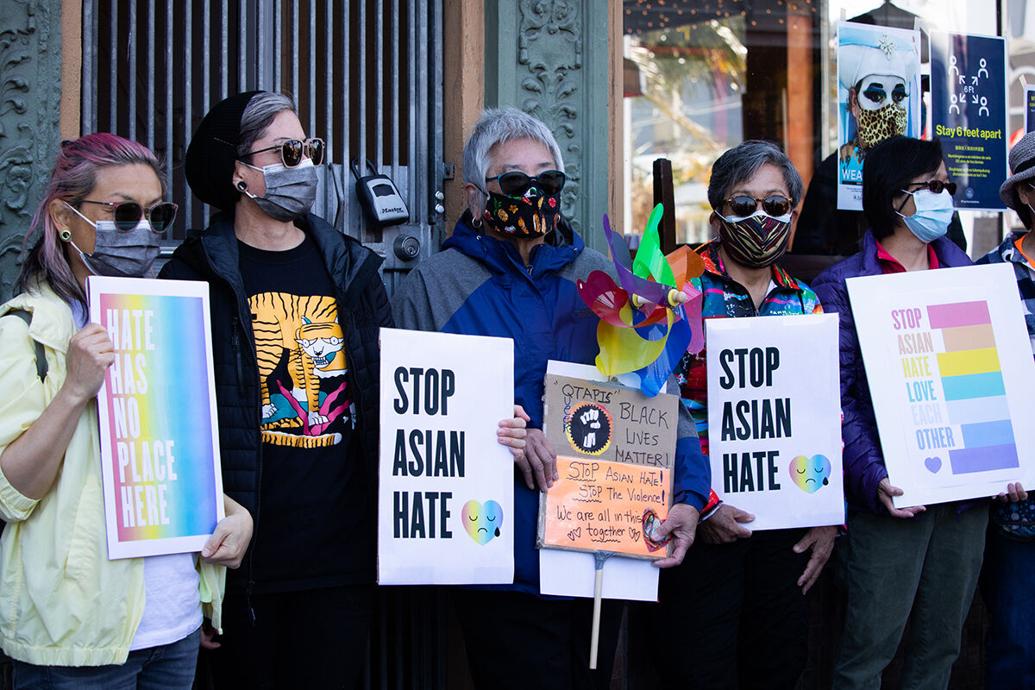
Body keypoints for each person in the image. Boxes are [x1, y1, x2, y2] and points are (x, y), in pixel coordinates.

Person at [393, 107, 709, 690]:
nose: (533, 193)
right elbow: (411, 424)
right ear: (474, 195)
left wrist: (689, 495)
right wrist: (502, 436)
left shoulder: (604, 281)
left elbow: (655, 389)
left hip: (599, 551)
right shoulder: (433, 286)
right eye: (514, 181)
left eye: (548, 181)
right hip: (498, 558)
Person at [0, 133, 251, 688]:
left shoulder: (162, 319)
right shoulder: (25, 331)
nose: (141, 231)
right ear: (65, 218)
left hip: (175, 626)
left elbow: (162, 458)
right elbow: (11, 493)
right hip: (77, 641)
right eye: (123, 213)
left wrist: (234, 514)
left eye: (155, 215)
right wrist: (72, 392)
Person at [159, 91, 391, 689]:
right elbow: (169, 420)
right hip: (241, 566)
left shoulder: (355, 270)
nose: (305, 165)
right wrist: (194, 578)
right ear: (240, 171)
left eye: (310, 150)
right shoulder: (191, 275)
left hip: (342, 564)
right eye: (286, 152)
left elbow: (397, 394)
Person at [653, 140, 837, 689]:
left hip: (783, 528)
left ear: (794, 214)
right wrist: (704, 506)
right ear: (717, 214)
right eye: (744, 204)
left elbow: (823, 412)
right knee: (696, 669)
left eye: (777, 206)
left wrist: (829, 512)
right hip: (696, 522)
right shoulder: (674, 287)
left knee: (778, 665)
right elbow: (649, 400)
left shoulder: (806, 303)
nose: (762, 217)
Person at [812, 136, 989, 689]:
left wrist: (1011, 460)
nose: (945, 197)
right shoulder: (843, 286)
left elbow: (994, 386)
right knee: (868, 654)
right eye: (931, 187)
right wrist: (874, 477)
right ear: (894, 199)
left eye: (947, 186)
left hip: (965, 498)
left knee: (941, 652)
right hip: (891, 498)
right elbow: (833, 401)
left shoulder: (975, 281)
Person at [792, 40, 966, 256]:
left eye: (899, 97)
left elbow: (955, 244)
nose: (889, 110)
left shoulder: (928, 168)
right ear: (854, 102)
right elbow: (810, 250)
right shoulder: (835, 171)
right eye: (875, 96)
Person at [976, 131, 1035, 688]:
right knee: (1017, 649)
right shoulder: (987, 276)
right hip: (1019, 508)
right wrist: (991, 461)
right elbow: (967, 385)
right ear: (1028, 196)